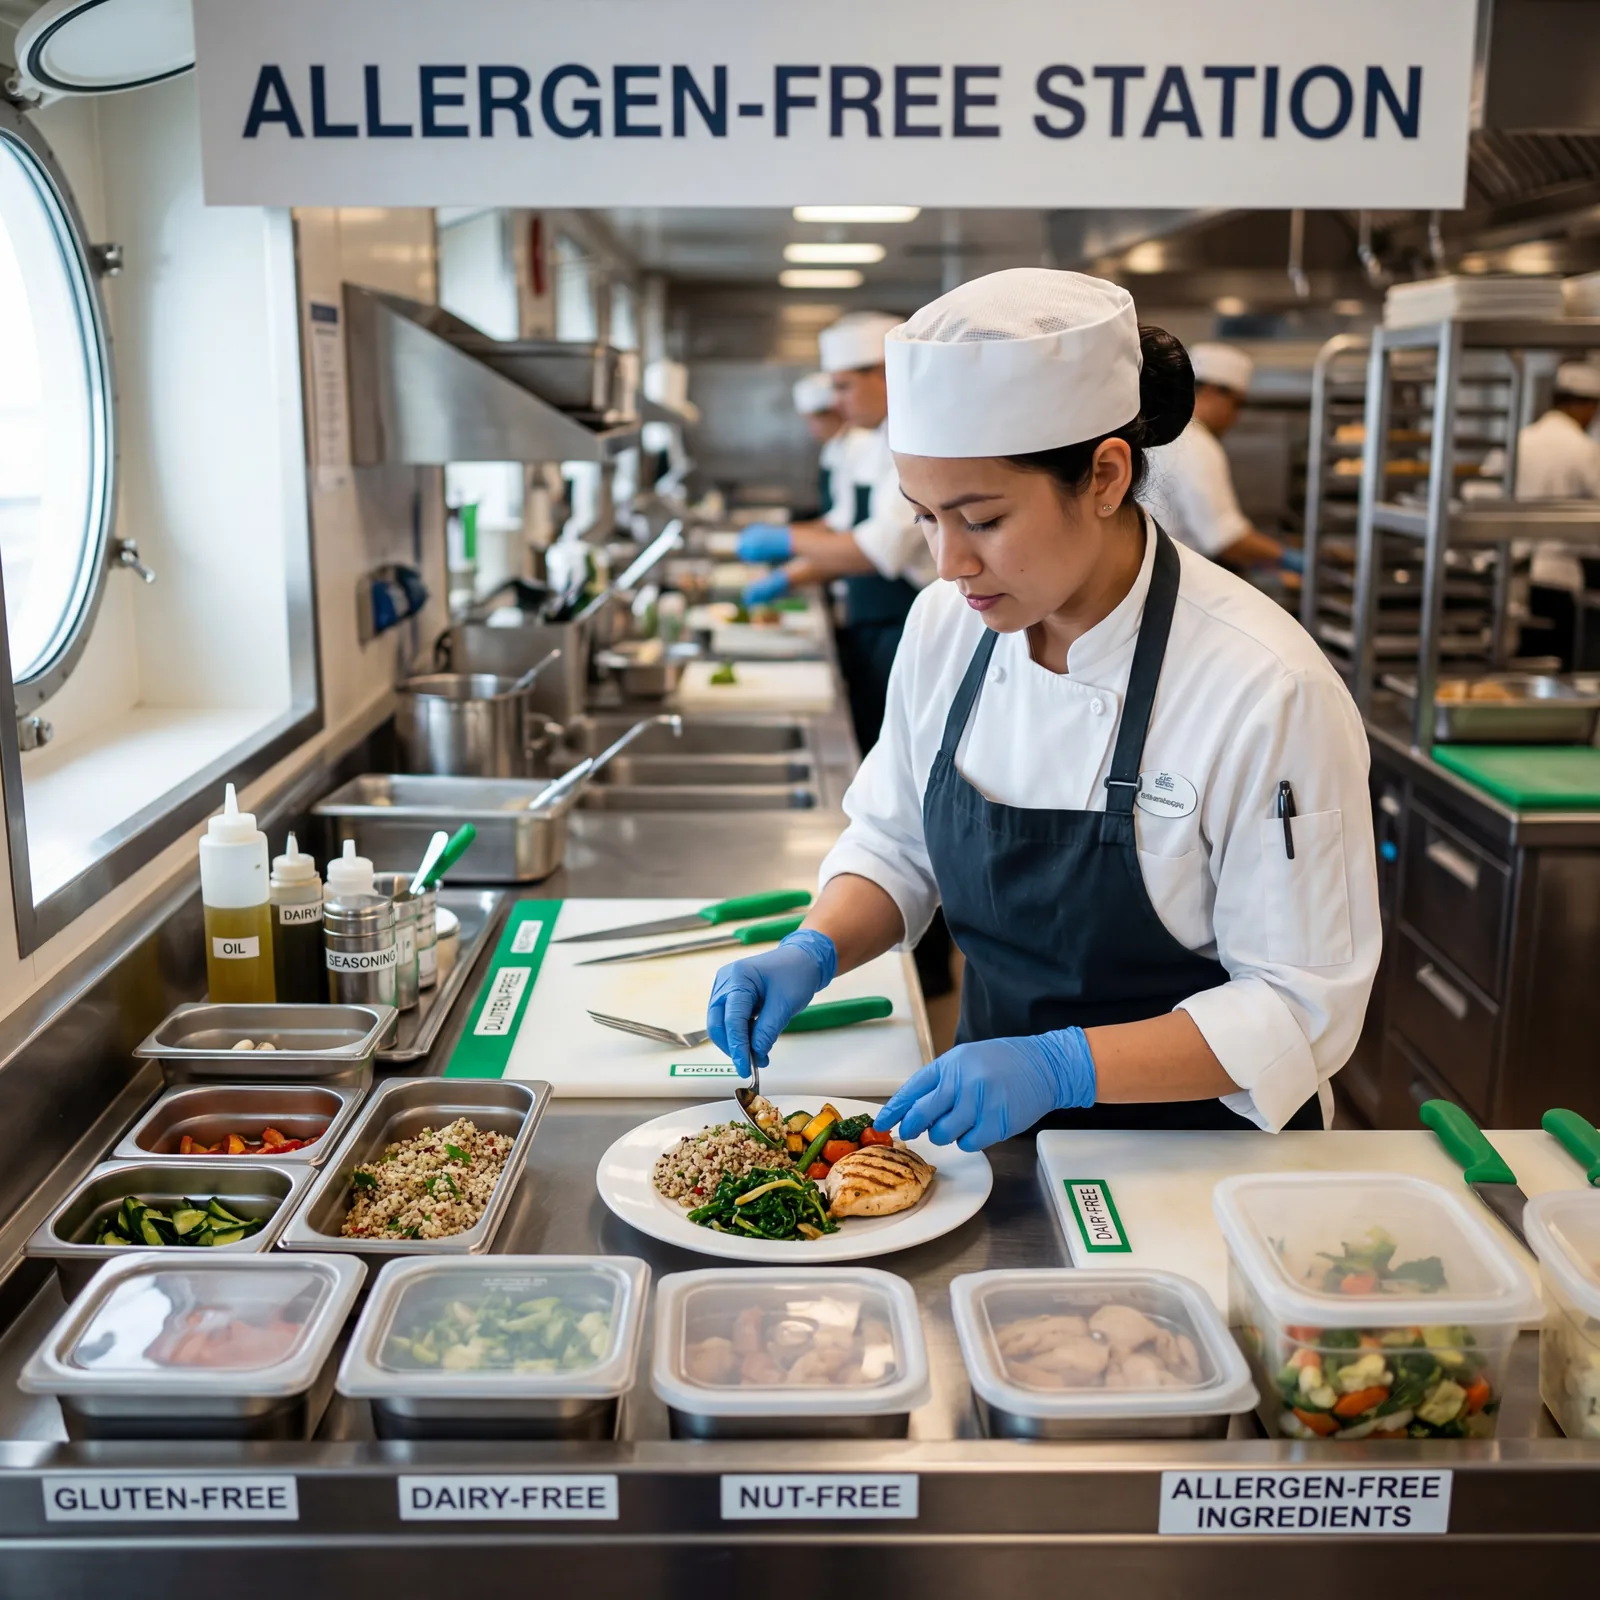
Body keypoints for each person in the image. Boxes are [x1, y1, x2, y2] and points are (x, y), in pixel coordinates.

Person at [705, 269, 1381, 1148]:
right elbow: (897, 838)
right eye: (923, 519)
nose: (949, 563)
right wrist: (815, 947)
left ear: (1104, 475)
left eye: (981, 519)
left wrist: (1063, 1066)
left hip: (1198, 1163)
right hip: (989, 1139)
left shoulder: (1265, 686)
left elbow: (1300, 1003)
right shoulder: (948, 624)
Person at [737, 311, 937, 753]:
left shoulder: (918, 441)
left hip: (910, 621)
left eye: (844, 386)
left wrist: (786, 544)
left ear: (886, 375)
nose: (838, 401)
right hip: (877, 618)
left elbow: (879, 549)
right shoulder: (880, 439)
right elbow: (844, 525)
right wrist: (788, 572)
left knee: (903, 751)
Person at [1480, 361, 1600, 668]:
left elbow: (1480, 490)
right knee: (1555, 667)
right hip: (1560, 579)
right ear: (1586, 406)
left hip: (1513, 574)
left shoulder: (1521, 439)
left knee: (1516, 663)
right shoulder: (1583, 449)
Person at [1144, 342, 1286, 569]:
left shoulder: (1161, 431)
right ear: (1211, 392)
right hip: (1168, 575)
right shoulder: (1195, 443)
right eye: (1237, 404)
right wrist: (1287, 559)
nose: (1236, 416)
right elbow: (1224, 538)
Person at [791, 370, 851, 522]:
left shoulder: (858, 445)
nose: (811, 430)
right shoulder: (832, 447)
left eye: (813, 421)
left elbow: (844, 518)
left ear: (832, 413)